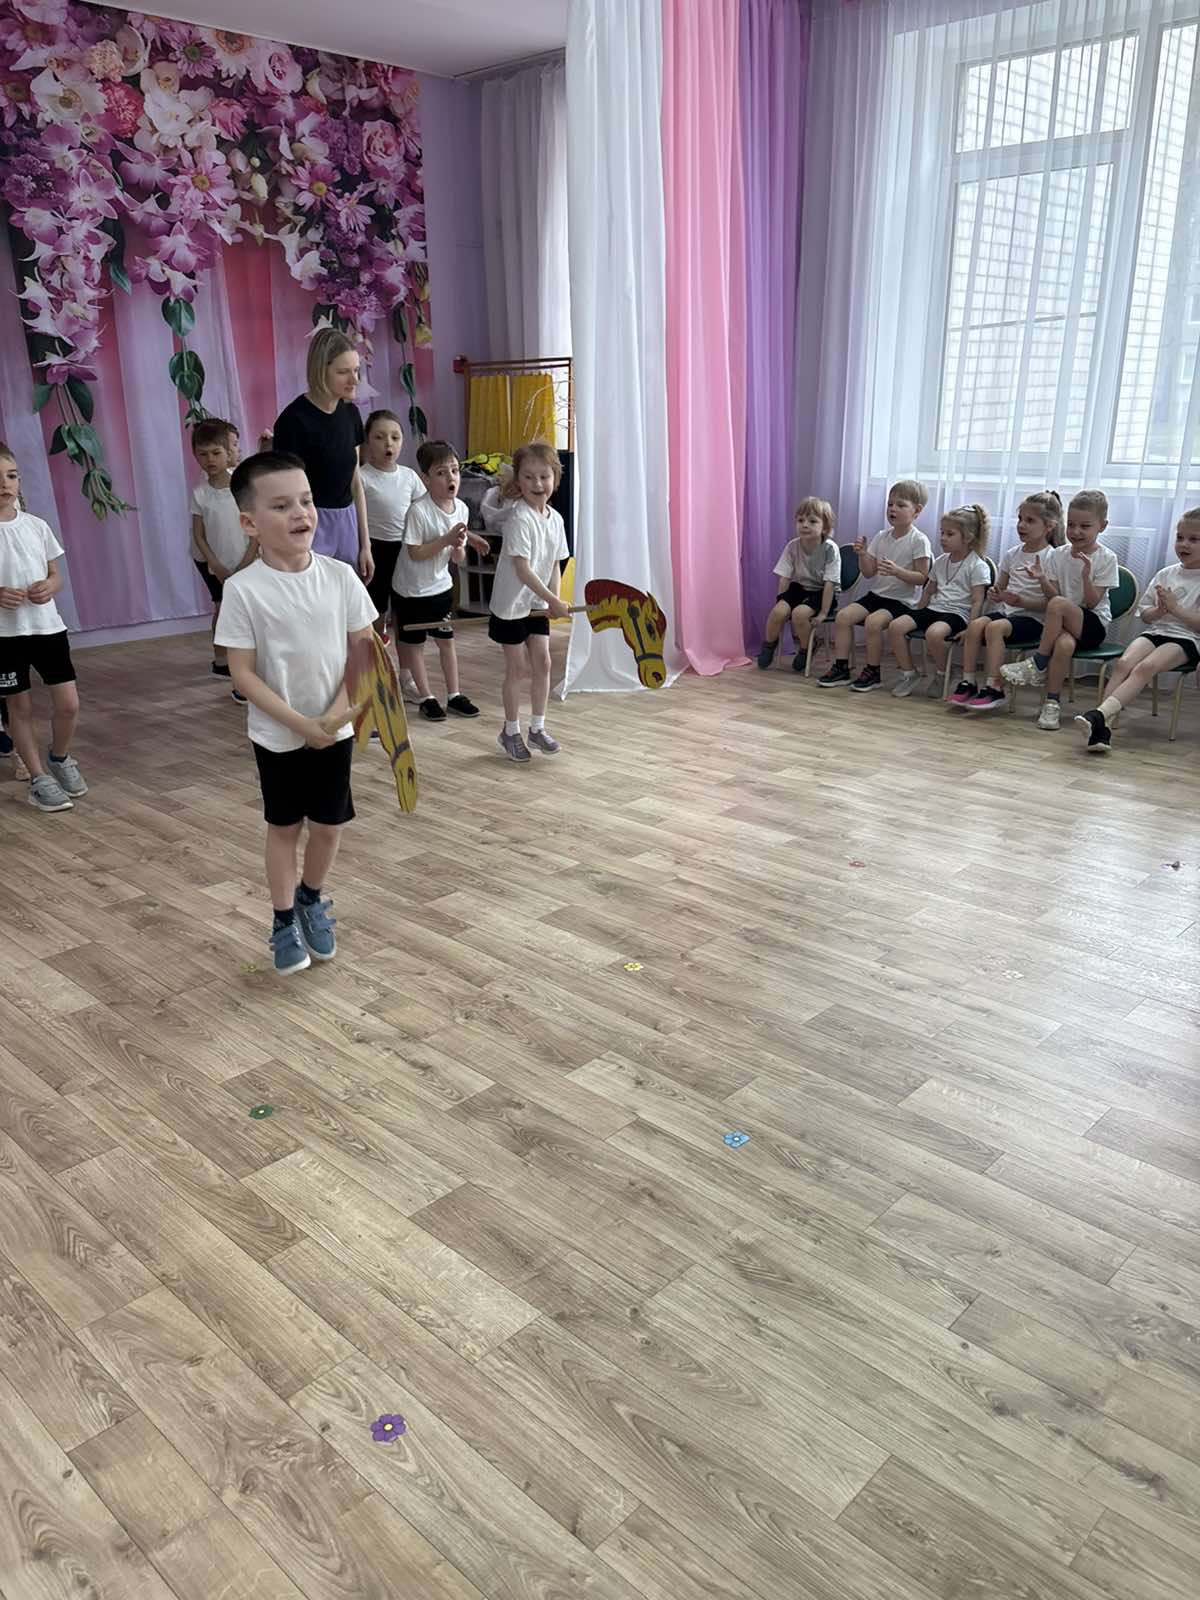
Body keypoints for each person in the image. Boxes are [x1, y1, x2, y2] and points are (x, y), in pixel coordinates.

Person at [215, 451, 376, 977]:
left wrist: (333, 718)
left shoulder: (341, 577)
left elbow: (363, 654)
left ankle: (311, 896)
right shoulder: (243, 590)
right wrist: (301, 725)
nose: (301, 513)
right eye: (281, 505)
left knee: (328, 826)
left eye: (305, 501)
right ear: (250, 523)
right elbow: (243, 673)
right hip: (277, 736)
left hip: (336, 729)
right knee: (284, 826)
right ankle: (284, 920)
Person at [0, 441, 87, 811]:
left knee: (68, 704)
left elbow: (55, 575)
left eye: (11, 475)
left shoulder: (37, 526)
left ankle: (60, 757)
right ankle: (38, 778)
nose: (4, 484)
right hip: (5, 637)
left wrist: (50, 586)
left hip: (47, 629)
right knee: (18, 709)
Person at [1076, 508, 1200, 754]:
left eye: (1194, 539)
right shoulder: (1166, 574)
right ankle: (1102, 727)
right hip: (1156, 632)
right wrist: (1160, 611)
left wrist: (1175, 608)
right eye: (1180, 537)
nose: (1184, 544)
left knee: (1145, 667)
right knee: (1124, 663)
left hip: (1187, 639)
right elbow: (1145, 614)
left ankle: (1099, 715)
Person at [1000, 489, 1120, 730]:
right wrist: (1042, 579)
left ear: (1102, 526)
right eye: (1072, 525)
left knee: (1057, 604)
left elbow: (1092, 603)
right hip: (1064, 622)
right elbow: (1052, 596)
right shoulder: (1057, 555)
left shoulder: (1107, 558)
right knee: (1063, 645)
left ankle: (1039, 662)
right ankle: (1052, 704)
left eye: (1085, 526)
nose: (1076, 532)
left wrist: (1086, 576)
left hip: (1092, 625)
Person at [391, 440, 486, 721]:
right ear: (426, 479)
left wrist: (458, 548)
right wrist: (446, 540)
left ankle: (454, 695)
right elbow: (415, 552)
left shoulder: (462, 509)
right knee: (415, 645)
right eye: (441, 473)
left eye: (454, 470)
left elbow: (458, 557)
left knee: (446, 642)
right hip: (411, 590)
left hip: (441, 588)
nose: (450, 478)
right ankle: (426, 697)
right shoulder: (418, 511)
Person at [271, 327, 373, 585]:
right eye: (343, 372)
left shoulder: (351, 414)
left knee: (346, 599)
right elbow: (284, 493)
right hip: (308, 523)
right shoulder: (293, 421)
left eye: (356, 370)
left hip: (347, 522)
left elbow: (356, 483)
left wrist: (365, 544)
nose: (354, 380)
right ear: (321, 371)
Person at [488, 442, 570, 761]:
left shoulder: (556, 519)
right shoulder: (519, 519)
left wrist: (553, 600)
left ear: (555, 479)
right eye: (529, 477)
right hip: (511, 605)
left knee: (544, 663)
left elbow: (554, 564)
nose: (537, 484)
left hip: (537, 604)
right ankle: (510, 731)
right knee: (518, 668)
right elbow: (522, 570)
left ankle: (537, 728)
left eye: (544, 476)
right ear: (518, 481)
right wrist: (552, 600)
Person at [949, 490, 1063, 712]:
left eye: (1030, 520)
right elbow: (999, 587)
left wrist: (1021, 601)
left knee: (994, 628)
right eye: (1020, 519)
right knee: (975, 626)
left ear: (1049, 526)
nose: (1022, 525)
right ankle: (968, 682)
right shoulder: (1012, 554)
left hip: (1034, 619)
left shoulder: (1053, 557)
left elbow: (1052, 602)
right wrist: (995, 593)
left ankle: (995, 687)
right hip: (1009, 613)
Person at [817, 480, 931, 691]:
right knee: (843, 617)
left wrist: (898, 571)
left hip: (903, 601)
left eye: (900, 505)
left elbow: (923, 578)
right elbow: (869, 573)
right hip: (878, 595)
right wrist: (862, 555)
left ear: (917, 511)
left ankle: (873, 671)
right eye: (890, 504)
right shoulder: (881, 536)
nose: (893, 509)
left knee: (873, 622)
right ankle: (841, 667)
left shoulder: (919, 540)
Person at [887, 504, 991, 697]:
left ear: (967, 538)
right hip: (934, 608)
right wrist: (917, 613)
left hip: (957, 613)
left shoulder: (977, 565)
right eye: (942, 533)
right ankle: (909, 673)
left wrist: (971, 628)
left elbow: (978, 600)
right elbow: (928, 591)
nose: (943, 538)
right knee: (896, 626)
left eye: (950, 534)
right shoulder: (942, 561)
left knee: (934, 634)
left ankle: (943, 673)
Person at [189, 418, 255, 701]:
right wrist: (214, 564)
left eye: (216, 453)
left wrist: (246, 562)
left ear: (229, 453)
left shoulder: (243, 487)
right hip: (211, 562)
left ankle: (247, 661)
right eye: (203, 454)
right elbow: (198, 535)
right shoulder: (200, 493)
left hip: (244, 559)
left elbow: (255, 530)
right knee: (222, 607)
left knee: (244, 611)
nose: (210, 460)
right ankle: (221, 659)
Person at [358, 408, 423, 640]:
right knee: (377, 603)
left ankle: (405, 654)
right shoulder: (362, 477)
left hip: (405, 548)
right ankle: (378, 647)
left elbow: (426, 509)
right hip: (375, 548)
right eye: (379, 437)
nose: (388, 443)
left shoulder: (409, 476)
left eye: (395, 437)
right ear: (368, 441)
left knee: (403, 603)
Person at [756, 498, 839, 671]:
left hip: (822, 592)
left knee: (799, 614)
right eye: (801, 520)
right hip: (800, 588)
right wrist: (781, 601)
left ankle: (807, 647)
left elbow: (830, 583)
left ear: (825, 527)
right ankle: (769, 645)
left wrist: (823, 613)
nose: (805, 525)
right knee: (778, 612)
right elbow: (785, 577)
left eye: (812, 521)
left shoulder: (830, 548)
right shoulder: (792, 546)